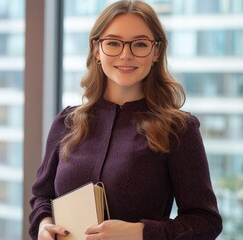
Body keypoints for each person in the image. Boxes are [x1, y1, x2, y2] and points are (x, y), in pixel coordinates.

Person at [29, 0, 223, 239]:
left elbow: (206, 221)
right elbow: (41, 197)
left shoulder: (178, 129)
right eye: (113, 43)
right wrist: (44, 224)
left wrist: (140, 232)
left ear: (156, 52)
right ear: (96, 50)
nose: (126, 55)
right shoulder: (67, 122)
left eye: (140, 44)